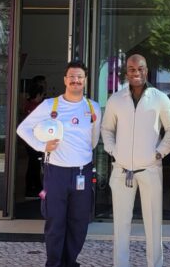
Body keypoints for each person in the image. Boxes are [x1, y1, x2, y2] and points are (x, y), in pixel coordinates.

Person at [17, 61, 101, 267]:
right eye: (72, 76)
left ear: (85, 80)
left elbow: (94, 140)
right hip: (56, 172)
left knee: (79, 222)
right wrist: (41, 146)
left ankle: (70, 261)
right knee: (55, 221)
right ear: (65, 80)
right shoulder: (49, 105)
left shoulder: (93, 107)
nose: (75, 80)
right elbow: (23, 129)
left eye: (79, 76)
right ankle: (54, 263)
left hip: (82, 171)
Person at [101, 54, 170, 267]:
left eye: (141, 69)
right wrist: (113, 150)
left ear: (147, 70)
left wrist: (159, 152)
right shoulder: (116, 99)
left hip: (150, 170)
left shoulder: (159, 98)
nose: (136, 73)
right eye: (132, 69)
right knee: (120, 225)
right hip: (122, 170)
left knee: (154, 225)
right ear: (127, 72)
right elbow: (107, 129)